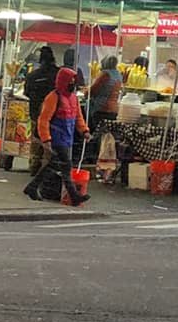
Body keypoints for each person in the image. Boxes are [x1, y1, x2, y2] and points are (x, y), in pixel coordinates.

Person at [25, 67, 89, 205]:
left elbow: (78, 117)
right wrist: (46, 139)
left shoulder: (73, 98)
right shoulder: (53, 97)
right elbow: (44, 119)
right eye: (70, 80)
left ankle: (32, 187)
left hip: (66, 136)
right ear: (64, 81)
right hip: (57, 137)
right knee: (66, 166)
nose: (72, 83)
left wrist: (84, 130)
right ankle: (74, 196)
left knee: (53, 165)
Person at [23, 46, 59, 174]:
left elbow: (26, 92)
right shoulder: (58, 74)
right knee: (51, 138)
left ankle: (34, 163)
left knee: (36, 137)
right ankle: (47, 165)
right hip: (55, 112)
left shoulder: (33, 75)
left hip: (36, 111)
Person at [86, 55, 123, 163]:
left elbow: (91, 91)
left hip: (101, 109)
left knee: (97, 136)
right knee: (108, 137)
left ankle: (97, 159)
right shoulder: (119, 75)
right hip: (113, 110)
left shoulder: (105, 74)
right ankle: (107, 159)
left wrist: (86, 92)